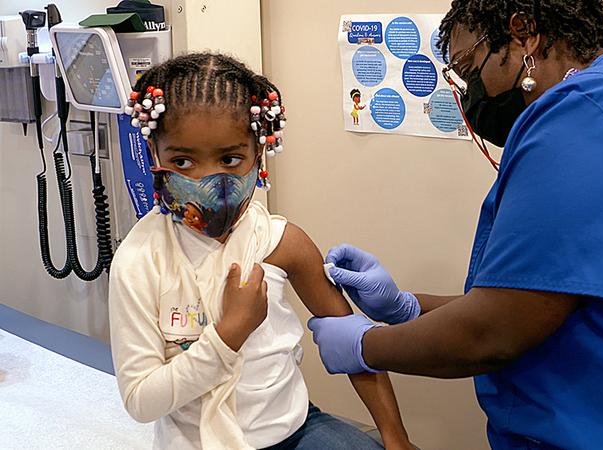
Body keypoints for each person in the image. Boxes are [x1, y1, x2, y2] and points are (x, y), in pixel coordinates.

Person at [307, 1, 603, 449]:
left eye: (466, 68)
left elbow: (496, 329)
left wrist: (364, 345)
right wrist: (408, 307)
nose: (469, 93)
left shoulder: (582, 118)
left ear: (524, 33)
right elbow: (547, 296)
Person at [108, 53, 413, 450]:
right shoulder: (139, 261)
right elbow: (140, 400)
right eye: (182, 161)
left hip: (295, 430)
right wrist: (229, 334)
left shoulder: (282, 243)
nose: (207, 179)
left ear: (260, 154)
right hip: (196, 440)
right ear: (154, 154)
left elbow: (354, 345)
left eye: (231, 159)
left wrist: (395, 437)